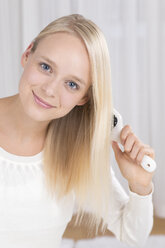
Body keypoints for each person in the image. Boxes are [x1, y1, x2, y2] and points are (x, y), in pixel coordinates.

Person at [0, 14, 155, 248]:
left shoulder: (77, 148)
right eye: (45, 67)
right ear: (27, 54)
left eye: (72, 84)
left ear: (85, 97)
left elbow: (132, 234)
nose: (50, 90)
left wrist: (140, 187)